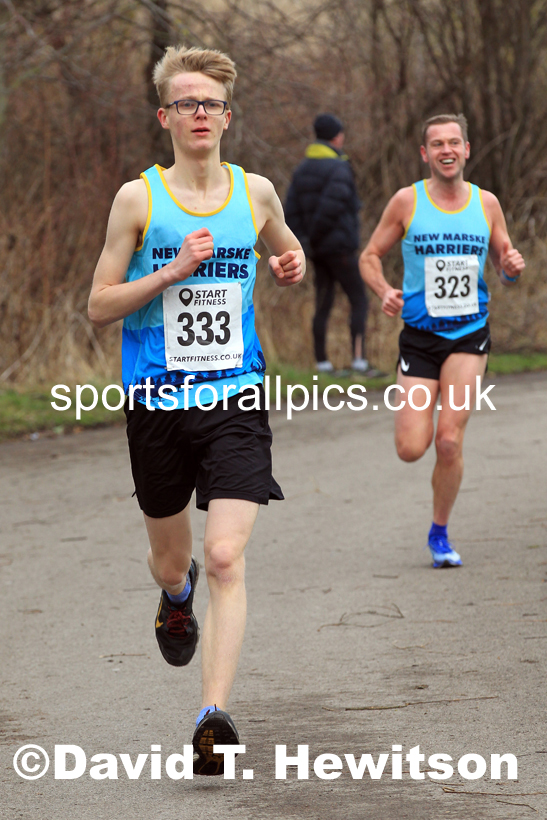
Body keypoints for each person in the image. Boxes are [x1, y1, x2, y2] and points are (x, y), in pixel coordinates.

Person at [88, 45, 304, 775]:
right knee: (173, 558)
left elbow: (285, 250)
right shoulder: (138, 199)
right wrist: (172, 271)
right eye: (186, 103)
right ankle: (173, 597)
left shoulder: (258, 193)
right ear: (165, 117)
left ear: (227, 114)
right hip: (155, 401)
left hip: (233, 395)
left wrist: (289, 263)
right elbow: (97, 306)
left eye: (210, 102)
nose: (199, 113)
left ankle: (212, 716)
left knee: (224, 555)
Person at [359, 113, 524, 568]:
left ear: (467, 149)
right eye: (437, 144)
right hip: (419, 338)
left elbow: (505, 266)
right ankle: (423, 427)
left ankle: (439, 533)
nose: (447, 150)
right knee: (412, 448)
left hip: (469, 334)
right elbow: (370, 255)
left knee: (448, 441)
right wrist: (384, 290)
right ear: (425, 154)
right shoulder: (406, 202)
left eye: (455, 142)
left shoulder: (486, 204)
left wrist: (510, 267)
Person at [285, 113, 372, 374]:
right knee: (359, 300)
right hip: (339, 249)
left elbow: (290, 212)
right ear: (337, 136)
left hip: (316, 252)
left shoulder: (301, 169)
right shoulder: (339, 167)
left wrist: (305, 243)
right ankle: (359, 361)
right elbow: (332, 207)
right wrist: (315, 236)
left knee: (323, 302)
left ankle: (322, 362)